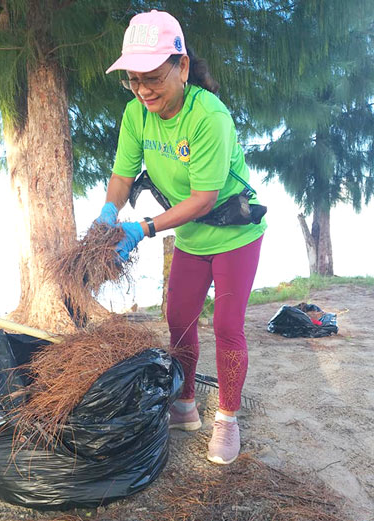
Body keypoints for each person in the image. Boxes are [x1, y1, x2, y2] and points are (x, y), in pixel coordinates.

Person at [99, 10, 267, 465]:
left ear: (183, 66)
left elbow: (205, 199)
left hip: (235, 235)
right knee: (178, 322)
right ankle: (186, 405)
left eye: (153, 77)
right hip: (191, 237)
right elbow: (122, 175)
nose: (144, 90)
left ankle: (227, 419)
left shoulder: (209, 117)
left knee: (227, 326)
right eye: (134, 80)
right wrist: (108, 214)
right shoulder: (136, 114)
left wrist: (143, 228)